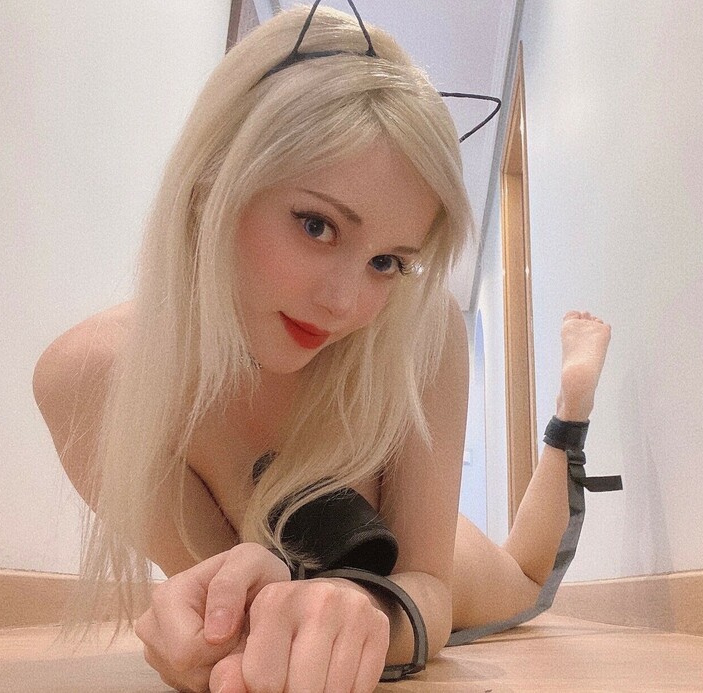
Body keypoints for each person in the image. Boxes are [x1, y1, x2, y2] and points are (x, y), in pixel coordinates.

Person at [33, 4, 613, 692]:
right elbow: (234, 606)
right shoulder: (93, 379)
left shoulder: (421, 326)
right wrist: (215, 631)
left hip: (431, 551)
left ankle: (570, 412)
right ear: (214, 178)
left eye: (387, 262)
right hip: (352, 547)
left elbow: (428, 583)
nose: (346, 304)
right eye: (316, 225)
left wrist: (376, 608)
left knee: (524, 578)